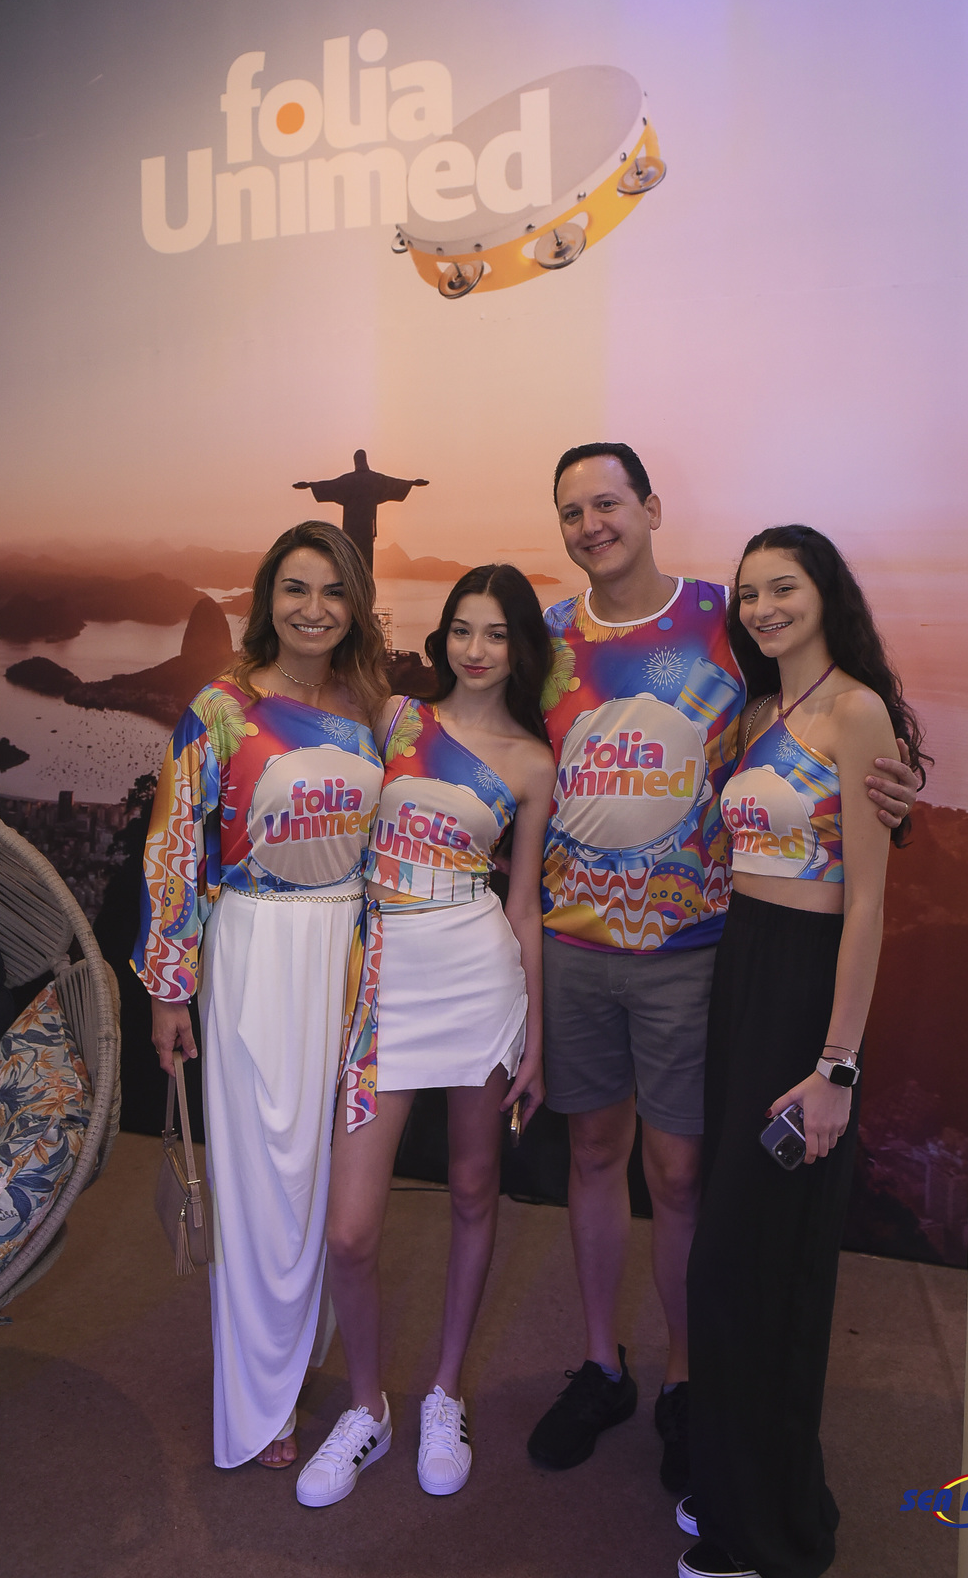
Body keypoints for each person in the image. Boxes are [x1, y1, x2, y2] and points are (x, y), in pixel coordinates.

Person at [526, 445, 920, 1496]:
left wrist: (891, 801)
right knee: (593, 1154)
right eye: (571, 511)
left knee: (682, 1174)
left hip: (697, 947)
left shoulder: (722, 620)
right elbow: (494, 745)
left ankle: (687, 1383)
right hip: (573, 944)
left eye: (608, 502)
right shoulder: (548, 639)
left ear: (651, 507)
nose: (592, 524)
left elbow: (820, 739)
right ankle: (601, 1366)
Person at [678, 525, 928, 1578]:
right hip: (743, 973)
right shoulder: (757, 713)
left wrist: (836, 1068)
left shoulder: (857, 711)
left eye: (784, 587)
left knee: (766, 1265)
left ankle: (767, 1535)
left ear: (826, 594)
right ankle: (739, 1483)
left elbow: (867, 902)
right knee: (732, 1260)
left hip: (807, 992)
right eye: (749, 593)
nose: (764, 607)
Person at [294, 565, 556, 1508]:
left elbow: (523, 904)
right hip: (384, 985)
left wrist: (536, 1032)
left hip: (479, 980)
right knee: (351, 1231)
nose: (476, 650)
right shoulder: (397, 718)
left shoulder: (532, 762)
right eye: (462, 630)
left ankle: (446, 1393)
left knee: (475, 1190)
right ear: (442, 637)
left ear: (520, 648)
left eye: (497, 634)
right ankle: (367, 1409)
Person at [133, 521, 388, 1472]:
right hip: (255, 945)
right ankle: (260, 1397)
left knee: (324, 1173)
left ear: (356, 604)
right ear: (266, 599)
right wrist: (169, 991)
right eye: (295, 589)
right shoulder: (221, 708)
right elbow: (174, 849)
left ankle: (299, 1353)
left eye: (333, 590)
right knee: (259, 1178)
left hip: (349, 954)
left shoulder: (375, 709)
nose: (314, 609)